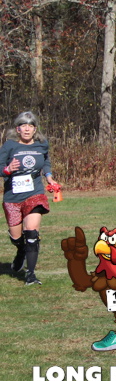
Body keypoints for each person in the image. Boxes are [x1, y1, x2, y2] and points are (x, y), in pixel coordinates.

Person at [2, 111, 60, 286]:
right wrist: (7, 169)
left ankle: (31, 275)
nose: (27, 129)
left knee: (32, 232)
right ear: (17, 129)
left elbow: (46, 162)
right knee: (16, 237)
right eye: (23, 126)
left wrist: (49, 177)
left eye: (30, 126)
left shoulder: (42, 144)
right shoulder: (9, 146)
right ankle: (21, 250)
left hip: (35, 193)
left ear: (35, 129)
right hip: (13, 197)